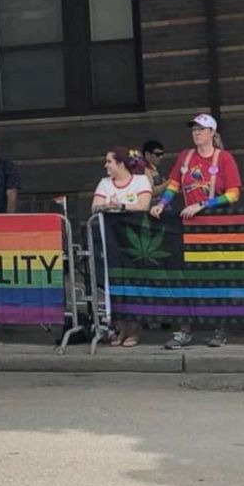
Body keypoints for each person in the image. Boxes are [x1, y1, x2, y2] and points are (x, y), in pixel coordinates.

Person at [150, 113, 241, 349]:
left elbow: (233, 194)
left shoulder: (224, 158)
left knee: (215, 277)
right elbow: (173, 185)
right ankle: (184, 330)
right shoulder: (185, 157)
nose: (196, 133)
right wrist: (162, 203)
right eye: (194, 129)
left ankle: (220, 329)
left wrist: (202, 205)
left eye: (201, 129)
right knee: (185, 278)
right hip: (188, 227)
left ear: (212, 132)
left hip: (215, 226)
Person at [92, 147, 153, 348]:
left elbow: (143, 205)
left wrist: (121, 207)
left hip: (135, 241)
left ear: (120, 163)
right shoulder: (104, 183)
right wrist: (106, 206)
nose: (106, 165)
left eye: (109, 161)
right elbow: (95, 206)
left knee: (133, 283)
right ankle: (120, 329)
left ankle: (134, 331)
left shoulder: (140, 180)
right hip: (111, 240)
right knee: (114, 283)